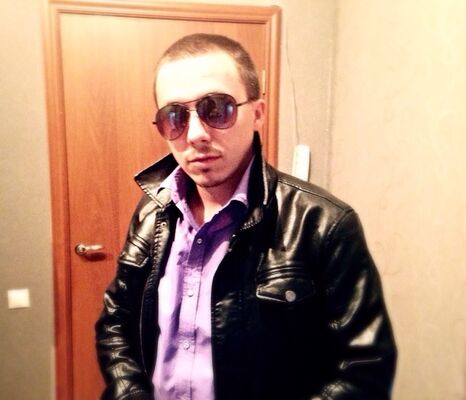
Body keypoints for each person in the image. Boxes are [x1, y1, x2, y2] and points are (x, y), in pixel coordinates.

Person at [96, 33, 397, 400]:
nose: (195, 135)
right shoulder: (152, 212)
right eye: (174, 116)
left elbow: (365, 369)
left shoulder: (323, 224)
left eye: (217, 109)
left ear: (257, 113)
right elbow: (115, 321)